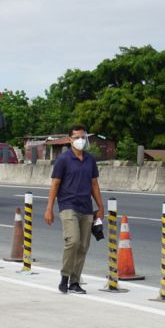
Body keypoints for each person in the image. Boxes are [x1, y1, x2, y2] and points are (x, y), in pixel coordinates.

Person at [44, 125, 104, 295]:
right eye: (77, 137)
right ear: (70, 139)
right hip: (68, 205)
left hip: (86, 207)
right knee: (73, 241)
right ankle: (64, 276)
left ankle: (75, 282)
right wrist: (49, 208)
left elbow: (94, 184)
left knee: (84, 245)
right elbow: (55, 184)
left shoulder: (90, 160)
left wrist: (100, 206)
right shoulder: (63, 160)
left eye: (83, 137)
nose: (81, 140)